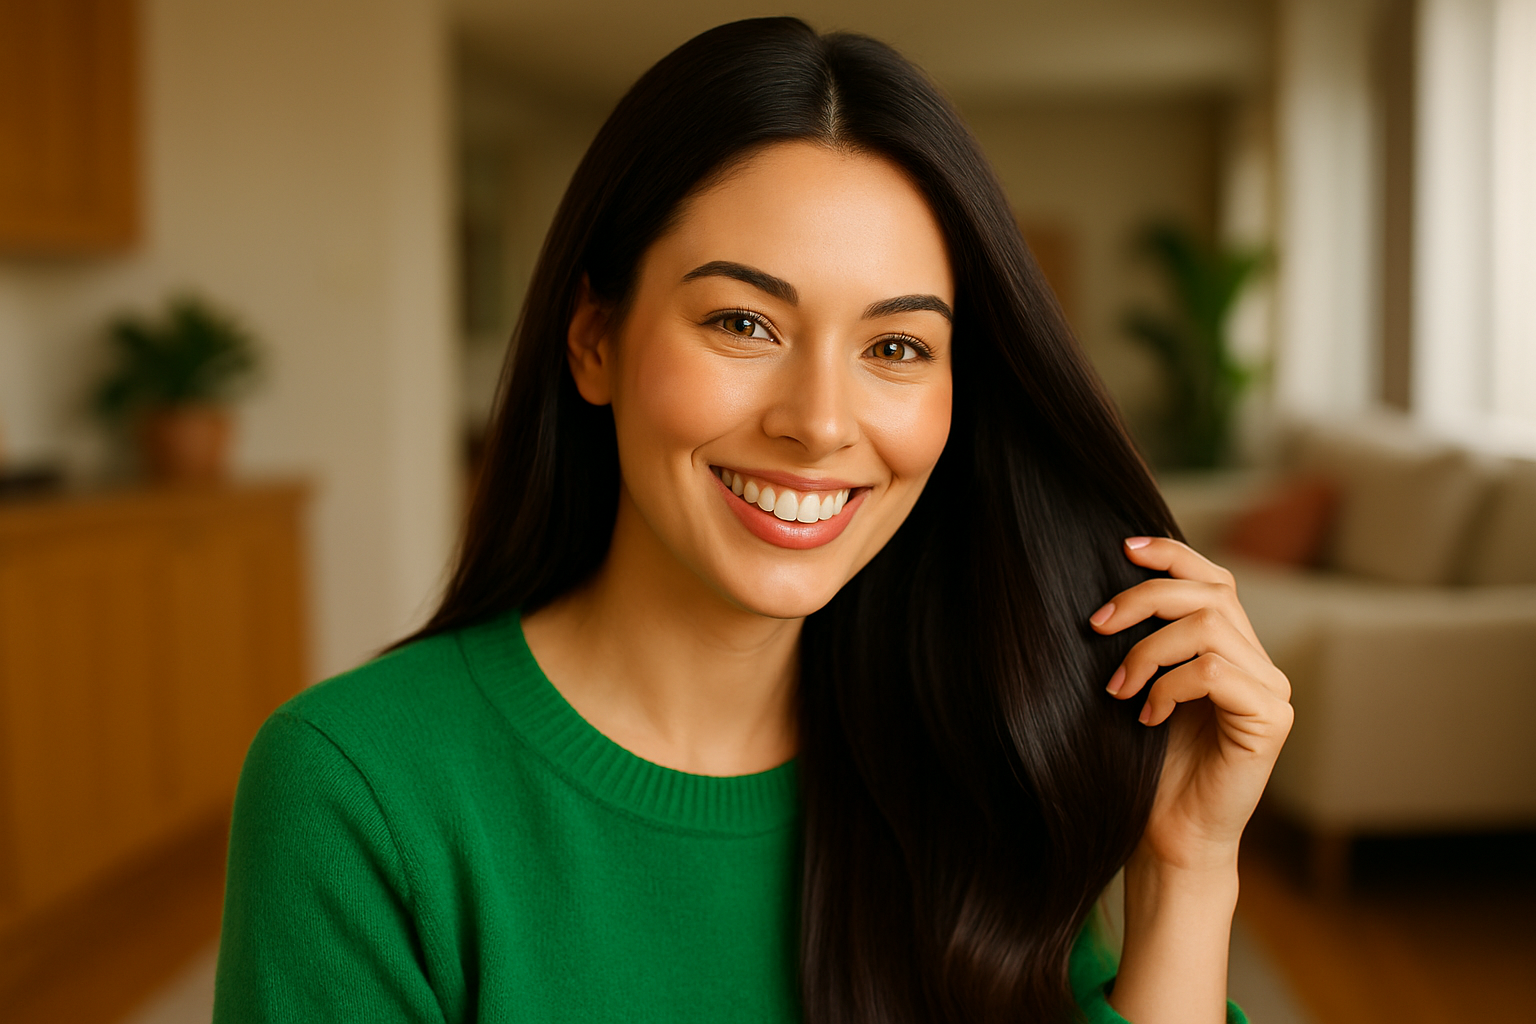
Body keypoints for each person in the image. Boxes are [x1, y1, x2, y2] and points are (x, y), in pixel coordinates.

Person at [214, 17, 1291, 1024]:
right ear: (594, 340)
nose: (820, 423)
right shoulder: (356, 791)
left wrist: (1191, 867)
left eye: (897, 347)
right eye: (743, 321)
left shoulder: (983, 751)